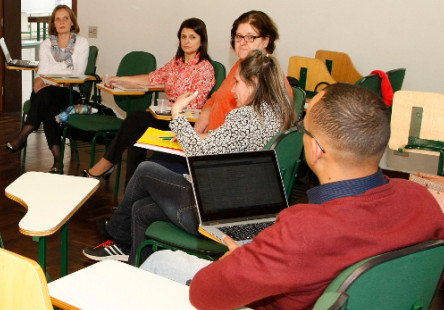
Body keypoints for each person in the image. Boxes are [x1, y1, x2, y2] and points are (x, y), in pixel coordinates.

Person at [62, 83, 444, 310]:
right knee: (158, 263)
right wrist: (264, 254)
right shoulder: (422, 202)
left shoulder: (306, 228)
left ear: (316, 149)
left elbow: (205, 294)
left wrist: (242, 258)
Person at [83, 50, 296, 262]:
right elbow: (233, 145)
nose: (232, 89)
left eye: (238, 82)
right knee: (140, 210)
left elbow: (198, 157)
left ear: (255, 82)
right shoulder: (278, 112)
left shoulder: (246, 117)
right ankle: (135, 261)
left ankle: (117, 234)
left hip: (216, 218)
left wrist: (177, 114)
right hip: (245, 213)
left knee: (146, 170)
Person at [82, 18, 215, 180]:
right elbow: (152, 78)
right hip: (165, 117)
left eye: (192, 37)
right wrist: (120, 80)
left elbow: (194, 105)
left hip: (184, 123)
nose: (187, 41)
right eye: (183, 37)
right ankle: (130, 195)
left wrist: (164, 110)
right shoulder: (176, 63)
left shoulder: (205, 68)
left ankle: (104, 166)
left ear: (202, 40)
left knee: (136, 119)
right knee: (136, 135)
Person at [5, 5, 89, 172]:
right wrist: (40, 80)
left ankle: (23, 136)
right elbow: (42, 72)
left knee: (47, 96)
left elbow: (77, 74)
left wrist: (50, 78)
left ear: (72, 22)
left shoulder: (81, 43)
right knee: (48, 106)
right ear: (53, 23)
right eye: (57, 19)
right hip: (47, 91)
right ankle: (57, 162)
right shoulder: (46, 44)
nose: (61, 22)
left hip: (69, 92)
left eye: (65, 18)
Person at [195, 10, 281, 134]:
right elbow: (217, 97)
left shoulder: (271, 78)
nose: (242, 42)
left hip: (225, 148)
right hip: (210, 140)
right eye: (239, 36)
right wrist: (206, 112)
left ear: (266, 41)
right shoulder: (240, 65)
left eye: (250, 37)